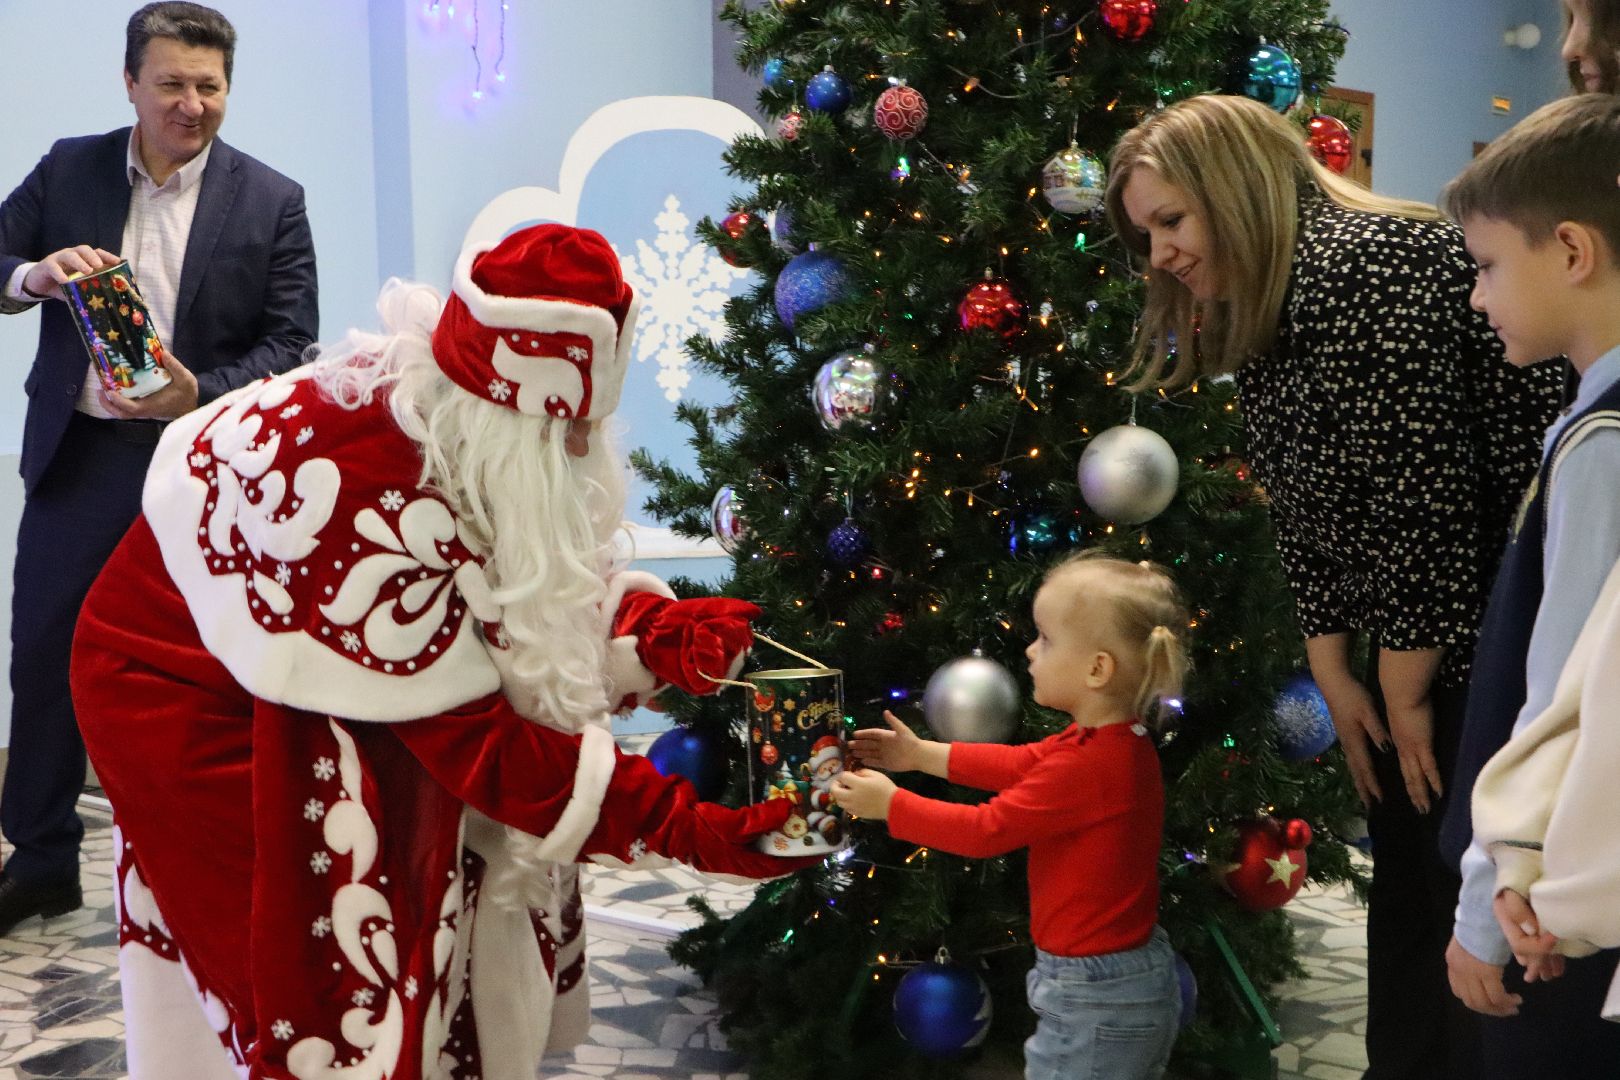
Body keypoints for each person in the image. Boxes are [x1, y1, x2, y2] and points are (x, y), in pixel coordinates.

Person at [68, 222, 806, 1079]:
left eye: (590, 424)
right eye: (561, 432)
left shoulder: (472, 421)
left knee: (442, 853)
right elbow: (484, 742)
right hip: (174, 685)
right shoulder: (366, 482)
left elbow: (525, 566)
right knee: (332, 913)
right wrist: (684, 829)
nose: (579, 448)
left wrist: (646, 627)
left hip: (312, 650)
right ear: (506, 413)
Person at [1103, 94, 1563, 1080]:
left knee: (1465, 910)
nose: (1161, 255)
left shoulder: (1363, 262)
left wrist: (1398, 684)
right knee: (1414, 901)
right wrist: (1330, 659)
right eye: (1148, 235)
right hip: (1436, 635)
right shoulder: (1274, 295)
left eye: (1172, 220)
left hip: (1495, 641)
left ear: (1235, 186)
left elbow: (1425, 495)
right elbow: (1309, 499)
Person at [0, 1, 318, 934]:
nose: (192, 105)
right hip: (84, 457)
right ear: (130, 82)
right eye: (172, 83)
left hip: (206, 466)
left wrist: (197, 393)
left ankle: (227, 857)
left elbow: (293, 346)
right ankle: (44, 858)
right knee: (47, 654)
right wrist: (36, 275)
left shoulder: (273, 198)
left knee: (216, 663)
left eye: (209, 87)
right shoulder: (69, 167)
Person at [833, 552, 1188, 1080]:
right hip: (1119, 978)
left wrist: (892, 806)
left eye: (1045, 639)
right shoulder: (1108, 742)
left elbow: (985, 830)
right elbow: (1023, 763)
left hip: (1095, 994)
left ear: (1097, 668)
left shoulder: (1091, 763)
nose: (1029, 650)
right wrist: (923, 756)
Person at [1434, 93, 1620, 1077]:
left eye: (1490, 266)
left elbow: (1562, 705)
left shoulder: (1605, 442)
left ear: (1573, 252)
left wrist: (1484, 911)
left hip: (1553, 908)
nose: (1477, 295)